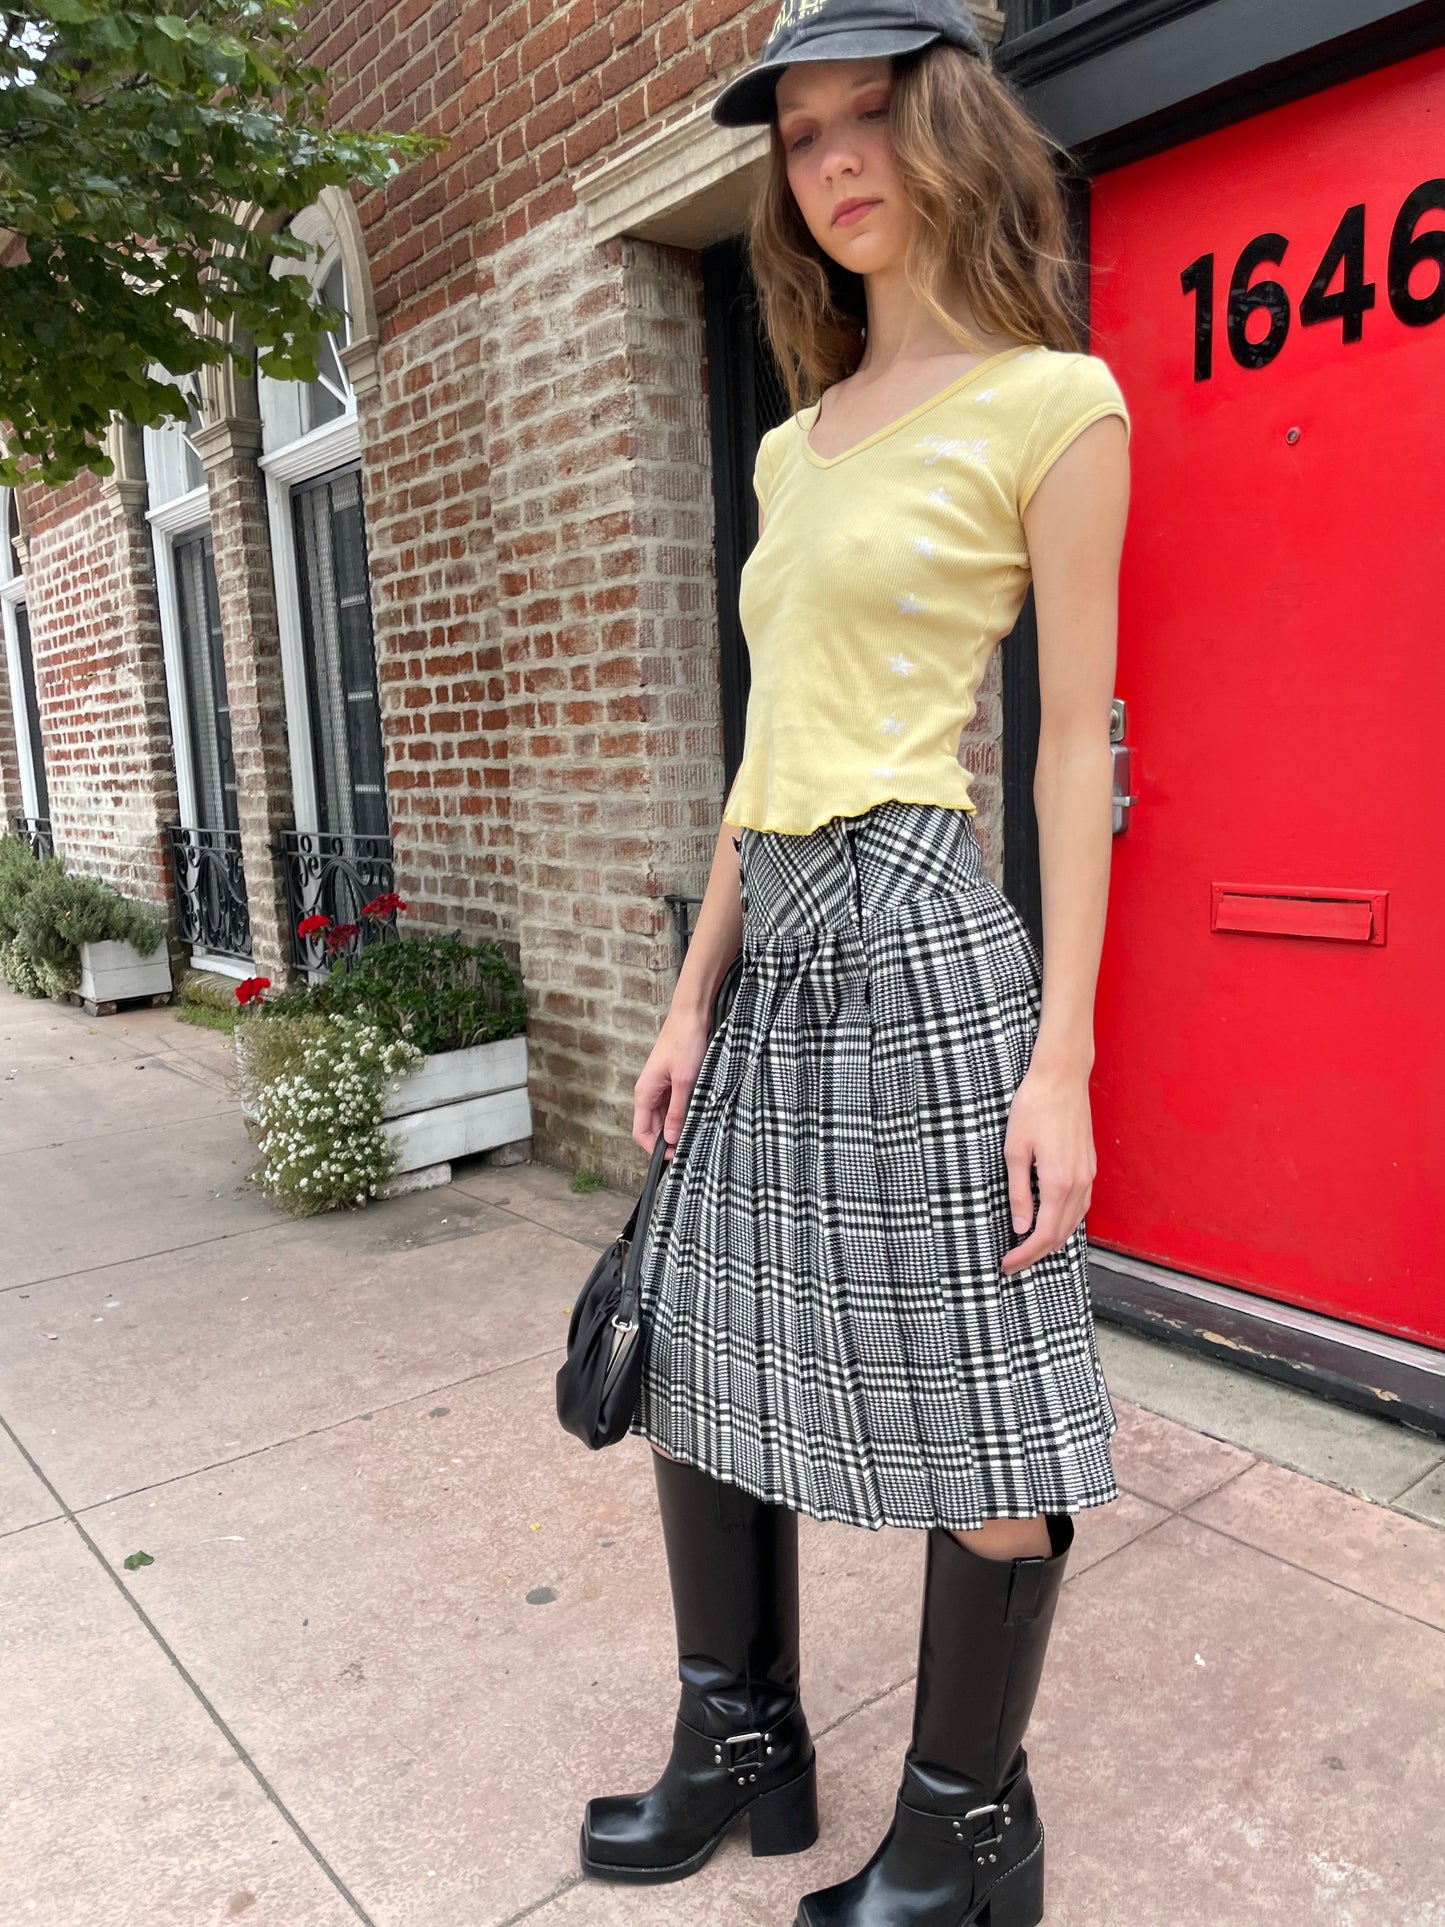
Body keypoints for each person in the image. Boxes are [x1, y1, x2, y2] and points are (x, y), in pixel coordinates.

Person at [578, 2, 1132, 1922]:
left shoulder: (1055, 403)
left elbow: (1071, 740)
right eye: (799, 137)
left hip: (915, 926)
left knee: (974, 1387)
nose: (830, 165)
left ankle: (970, 1831)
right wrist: (684, 995)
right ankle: (744, 1743)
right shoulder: (795, 449)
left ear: (949, 128)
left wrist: (1058, 1061)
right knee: (704, 1358)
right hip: (775, 937)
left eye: (864, 121)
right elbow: (765, 745)